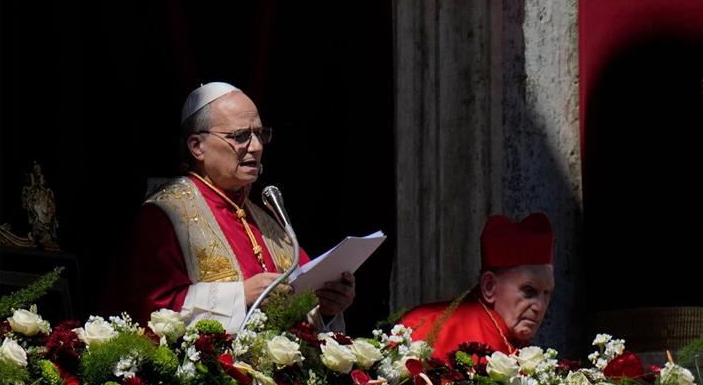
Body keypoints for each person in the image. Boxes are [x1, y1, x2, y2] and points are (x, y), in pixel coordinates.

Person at [122, 82, 355, 332]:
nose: (256, 146)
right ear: (197, 146)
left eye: (260, 134)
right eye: (240, 136)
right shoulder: (165, 214)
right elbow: (152, 309)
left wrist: (326, 307)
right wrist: (241, 295)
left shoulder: (265, 219)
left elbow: (299, 302)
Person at [400, 213, 555, 358]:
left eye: (547, 293)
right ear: (489, 286)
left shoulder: (528, 354)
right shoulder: (424, 326)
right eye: (529, 291)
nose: (540, 307)